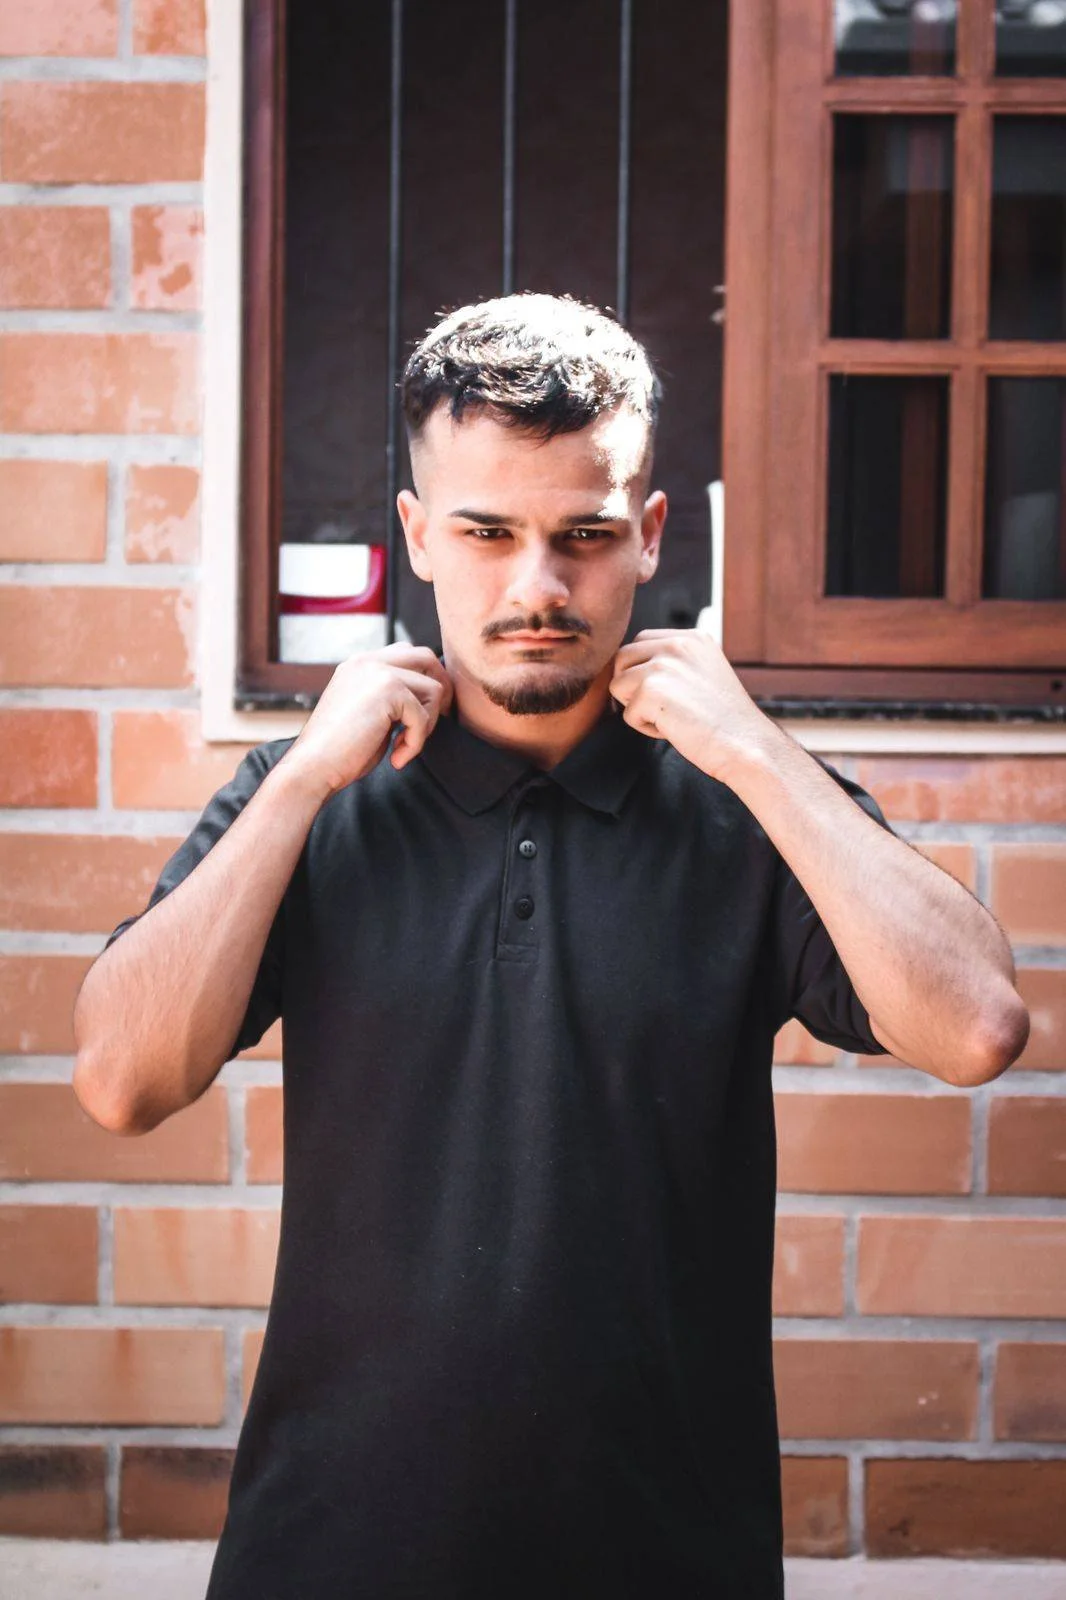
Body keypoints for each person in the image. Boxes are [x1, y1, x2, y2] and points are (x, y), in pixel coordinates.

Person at [73, 294, 1028, 1599]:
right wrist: (299, 782)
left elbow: (976, 1027)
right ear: (417, 537)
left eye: (582, 535)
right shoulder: (310, 796)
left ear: (645, 538)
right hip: (333, 1554)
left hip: (663, 1554)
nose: (536, 586)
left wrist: (754, 751)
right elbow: (122, 1082)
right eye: (486, 533)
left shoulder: (739, 809)